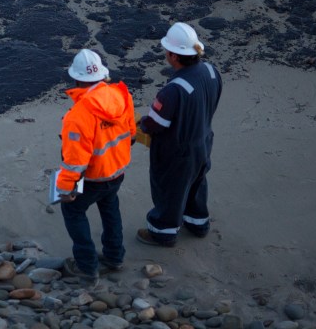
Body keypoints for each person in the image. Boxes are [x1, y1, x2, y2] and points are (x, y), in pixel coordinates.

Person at [136, 22, 223, 247]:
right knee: (197, 183)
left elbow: (155, 124)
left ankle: (162, 232)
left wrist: (138, 125)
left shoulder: (173, 91)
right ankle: (198, 223)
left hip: (177, 152)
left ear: (174, 56)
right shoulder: (212, 72)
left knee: (170, 191)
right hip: (204, 142)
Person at [56, 49, 137, 282]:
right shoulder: (122, 95)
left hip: (92, 177)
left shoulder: (78, 115)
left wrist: (65, 188)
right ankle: (114, 257)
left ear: (77, 79)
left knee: (73, 211)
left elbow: (75, 161)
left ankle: (87, 267)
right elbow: (131, 133)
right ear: (102, 75)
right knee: (110, 209)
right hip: (117, 171)